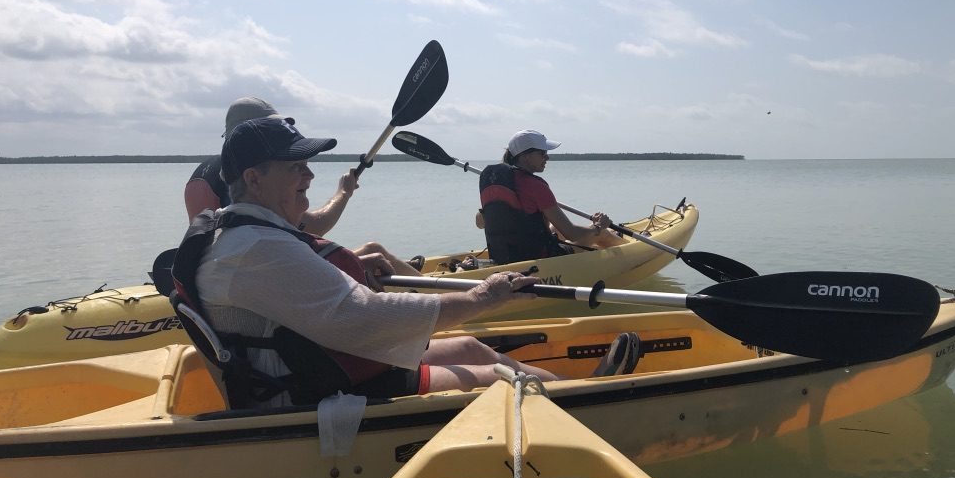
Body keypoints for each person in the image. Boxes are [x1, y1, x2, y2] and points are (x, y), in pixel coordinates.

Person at [174, 116, 582, 408]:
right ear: (253, 178)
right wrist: (482, 297)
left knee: (472, 347)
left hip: (320, 363)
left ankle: (578, 390)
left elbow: (307, 295)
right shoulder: (256, 247)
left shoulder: (241, 231)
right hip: (309, 394)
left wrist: (353, 270)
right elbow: (362, 316)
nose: (310, 175)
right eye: (295, 166)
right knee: (495, 377)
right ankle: (588, 406)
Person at [185, 96, 420, 276]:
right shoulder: (244, 179)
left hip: (214, 273)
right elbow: (312, 227)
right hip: (266, 274)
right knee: (372, 249)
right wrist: (344, 193)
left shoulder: (203, 173)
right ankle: (444, 295)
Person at [478, 129, 625, 265]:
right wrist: (599, 226)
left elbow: (480, 222)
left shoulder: (495, 182)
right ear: (526, 156)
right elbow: (572, 233)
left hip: (505, 257)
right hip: (544, 259)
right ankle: (637, 251)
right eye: (542, 153)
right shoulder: (536, 185)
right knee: (602, 234)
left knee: (554, 227)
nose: (547, 157)